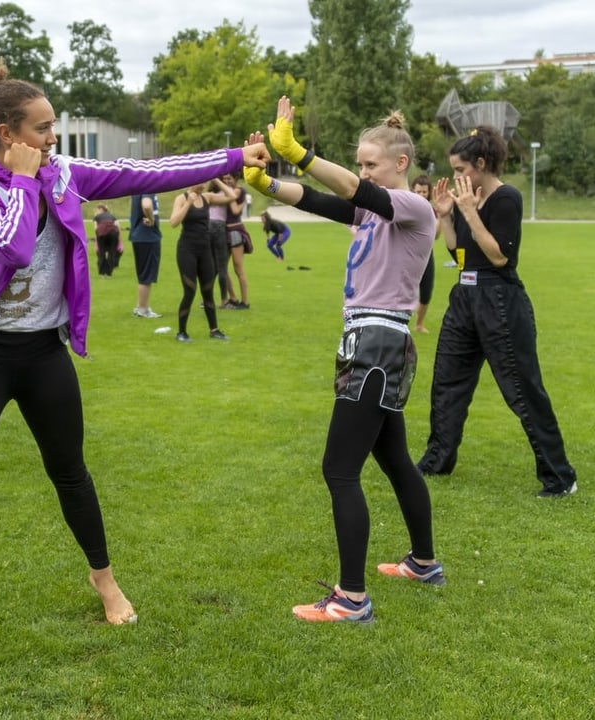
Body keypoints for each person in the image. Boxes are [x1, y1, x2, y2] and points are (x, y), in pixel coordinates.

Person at [0, 62, 270, 695]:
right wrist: (27, 185)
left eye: (54, 128)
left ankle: (103, 577)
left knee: (72, 475)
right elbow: (8, 245)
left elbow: (147, 172)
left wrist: (234, 154)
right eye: (43, 130)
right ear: (8, 133)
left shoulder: (60, 173)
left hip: (42, 355)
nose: (54, 140)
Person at [243, 96, 443, 624]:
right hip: (374, 341)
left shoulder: (413, 208)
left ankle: (351, 599)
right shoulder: (370, 211)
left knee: (339, 470)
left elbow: (353, 191)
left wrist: (300, 153)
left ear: (400, 165)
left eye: (370, 162)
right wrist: (263, 182)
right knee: (394, 459)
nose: (361, 172)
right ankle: (423, 562)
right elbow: (316, 201)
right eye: (358, 162)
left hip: (377, 340)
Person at [415, 126, 577, 499]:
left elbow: (500, 256)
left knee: (522, 390)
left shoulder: (506, 198)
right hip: (465, 297)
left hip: (499, 301)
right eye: (453, 170)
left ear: (481, 163)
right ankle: (438, 460)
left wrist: (470, 213)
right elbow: (459, 255)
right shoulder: (465, 203)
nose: (456, 177)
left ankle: (559, 477)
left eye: (461, 170)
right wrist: (446, 217)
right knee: (447, 382)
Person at [168, 180, 237, 342]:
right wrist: (189, 202)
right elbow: (173, 222)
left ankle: (214, 330)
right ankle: (182, 332)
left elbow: (232, 196)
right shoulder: (181, 198)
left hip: (205, 250)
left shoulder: (207, 197)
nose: (205, 184)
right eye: (203, 180)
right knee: (190, 291)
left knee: (208, 291)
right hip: (187, 250)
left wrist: (216, 180)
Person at [410, 174, 439, 333]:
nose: (421, 195)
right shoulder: (406, 208)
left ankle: (419, 324)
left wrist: (441, 215)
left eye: (424, 192)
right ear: (412, 191)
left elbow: (437, 235)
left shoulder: (431, 211)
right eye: (418, 192)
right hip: (407, 254)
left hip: (426, 255)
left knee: (426, 290)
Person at [129, 192, 163, 317]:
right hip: (147, 236)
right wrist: (152, 219)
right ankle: (143, 309)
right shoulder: (148, 188)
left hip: (138, 235)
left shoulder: (137, 189)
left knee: (143, 273)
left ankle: (140, 305)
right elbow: (147, 205)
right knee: (146, 275)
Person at [222, 173, 251, 309]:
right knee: (222, 267)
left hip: (234, 231)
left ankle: (244, 302)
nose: (226, 181)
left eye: (229, 178)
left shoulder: (237, 191)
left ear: (236, 179)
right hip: (224, 231)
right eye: (224, 179)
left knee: (238, 268)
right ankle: (233, 298)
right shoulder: (226, 191)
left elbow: (234, 210)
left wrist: (230, 195)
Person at [207, 181, 233, 307]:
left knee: (211, 267)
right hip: (218, 226)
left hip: (207, 227)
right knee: (222, 267)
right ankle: (224, 300)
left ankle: (206, 299)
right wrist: (219, 180)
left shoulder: (208, 194)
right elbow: (232, 196)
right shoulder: (224, 193)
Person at [92, 203, 120, 276]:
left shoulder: (97, 217)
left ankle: (102, 272)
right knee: (112, 252)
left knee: (101, 252)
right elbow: (118, 227)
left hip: (102, 233)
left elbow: (96, 228)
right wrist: (120, 241)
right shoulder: (112, 216)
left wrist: (96, 242)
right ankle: (109, 272)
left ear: (101, 210)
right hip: (113, 233)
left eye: (97, 210)